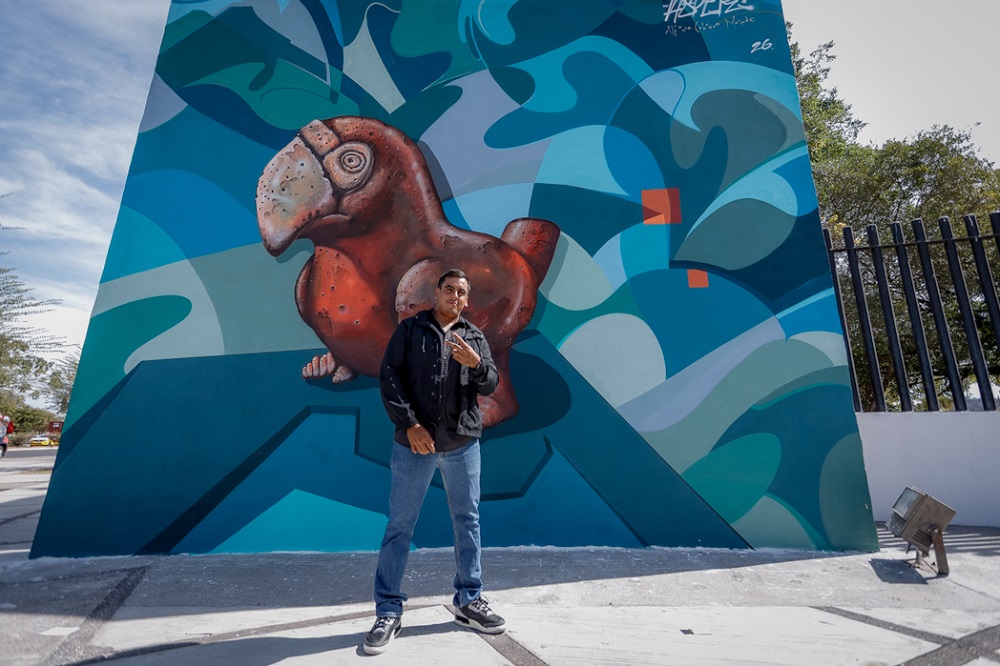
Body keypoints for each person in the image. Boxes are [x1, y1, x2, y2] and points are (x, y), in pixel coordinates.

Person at [364, 268, 505, 655]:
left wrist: (476, 363)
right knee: (400, 526)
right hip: (415, 445)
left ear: (466, 300)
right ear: (437, 293)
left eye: (461, 292)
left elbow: (491, 383)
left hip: (462, 444)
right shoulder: (410, 331)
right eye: (449, 289)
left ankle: (469, 600)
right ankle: (388, 610)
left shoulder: (474, 337)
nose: (455, 296)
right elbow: (389, 378)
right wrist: (410, 425)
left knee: (468, 521)